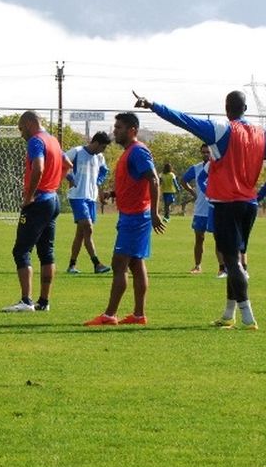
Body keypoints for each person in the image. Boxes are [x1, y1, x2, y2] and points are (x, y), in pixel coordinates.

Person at [133, 90, 266, 330]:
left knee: (231, 262)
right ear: (245, 109)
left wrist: (152, 105)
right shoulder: (262, 134)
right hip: (249, 205)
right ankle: (228, 314)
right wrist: (262, 192)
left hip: (226, 204)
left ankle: (248, 316)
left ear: (227, 109)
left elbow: (182, 119)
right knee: (235, 258)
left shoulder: (221, 130)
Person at [84, 112, 166, 326]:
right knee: (136, 264)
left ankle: (110, 315)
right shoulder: (130, 152)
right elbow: (134, 182)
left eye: (119, 127)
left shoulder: (138, 151)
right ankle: (139, 316)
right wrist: (114, 193)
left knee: (119, 263)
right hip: (131, 215)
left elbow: (154, 180)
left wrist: (155, 213)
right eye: (115, 127)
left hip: (136, 217)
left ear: (132, 130)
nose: (115, 131)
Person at [3, 110, 65, 312]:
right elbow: (67, 165)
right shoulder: (53, 140)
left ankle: (26, 301)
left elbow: (38, 167)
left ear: (30, 123)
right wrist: (54, 184)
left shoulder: (36, 141)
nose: (22, 134)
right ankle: (44, 302)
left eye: (22, 129)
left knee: (21, 250)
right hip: (53, 200)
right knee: (46, 252)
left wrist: (29, 196)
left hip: (39, 201)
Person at [62, 131, 112, 275]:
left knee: (81, 233)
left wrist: (98, 182)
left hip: (91, 197)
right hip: (77, 196)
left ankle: (72, 265)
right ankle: (97, 264)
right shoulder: (77, 152)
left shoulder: (99, 157)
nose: (103, 150)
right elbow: (59, 163)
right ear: (96, 143)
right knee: (88, 228)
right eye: (103, 147)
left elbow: (104, 170)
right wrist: (70, 177)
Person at [181, 144, 226, 276]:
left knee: (218, 239)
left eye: (208, 152)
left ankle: (222, 268)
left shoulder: (219, 167)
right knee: (199, 238)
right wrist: (193, 193)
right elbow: (183, 180)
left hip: (215, 208)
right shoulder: (196, 168)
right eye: (204, 152)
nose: (206, 155)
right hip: (200, 210)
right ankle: (197, 265)